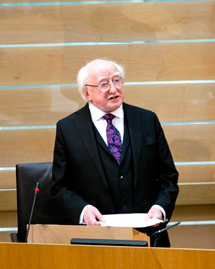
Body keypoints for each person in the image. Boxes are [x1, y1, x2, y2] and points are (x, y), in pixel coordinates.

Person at [51, 58, 179, 247]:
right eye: (104, 84)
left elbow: (168, 176)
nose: (113, 89)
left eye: (117, 80)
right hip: (95, 238)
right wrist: (83, 210)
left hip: (148, 235)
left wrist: (160, 208)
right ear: (87, 93)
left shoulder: (147, 120)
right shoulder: (68, 128)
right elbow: (60, 186)